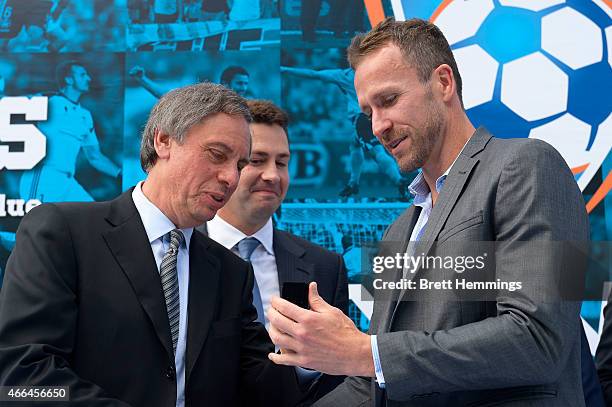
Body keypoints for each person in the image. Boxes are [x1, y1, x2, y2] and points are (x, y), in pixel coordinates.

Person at [266, 18, 592, 406]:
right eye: (368, 111)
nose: (378, 126)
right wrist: (362, 355)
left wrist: (364, 352)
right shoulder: (398, 231)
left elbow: (540, 340)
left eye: (388, 100)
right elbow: (372, 383)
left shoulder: (530, 164)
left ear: (443, 82)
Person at [0, 83, 304, 406]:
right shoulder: (62, 233)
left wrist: (307, 353)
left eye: (240, 165)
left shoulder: (231, 273)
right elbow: (21, 379)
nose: (231, 177)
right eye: (217, 155)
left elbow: (262, 388)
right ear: (163, 141)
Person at [200, 99, 348, 401]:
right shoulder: (175, 254)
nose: (272, 175)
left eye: (281, 163)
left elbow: (337, 381)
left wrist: (311, 359)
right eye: (257, 160)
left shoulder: (325, 267)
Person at [281, 66, 409, 199]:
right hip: (376, 115)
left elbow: (313, 74)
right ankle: (353, 183)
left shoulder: (344, 75)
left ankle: (399, 180)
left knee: (376, 152)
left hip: (363, 118)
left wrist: (286, 70)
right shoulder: (374, 71)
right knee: (355, 145)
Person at [19, 60, 121, 203]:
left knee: (96, 221)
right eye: (83, 74)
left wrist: (120, 174)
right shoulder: (50, 101)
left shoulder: (85, 116)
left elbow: (95, 157)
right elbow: (13, 104)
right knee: (39, 225)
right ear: (68, 79)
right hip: (43, 177)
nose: (88, 78)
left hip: (67, 182)